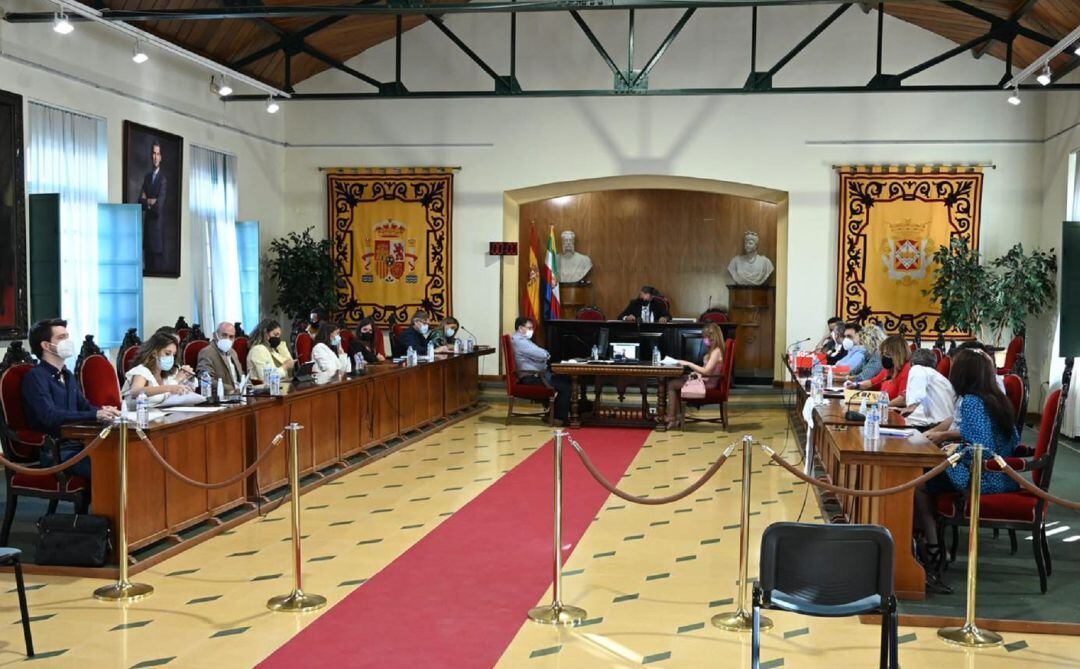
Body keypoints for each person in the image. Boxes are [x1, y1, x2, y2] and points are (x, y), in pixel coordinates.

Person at [914, 349, 1020, 591]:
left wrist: (953, 449)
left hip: (985, 477)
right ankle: (926, 543)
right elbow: (1010, 441)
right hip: (1004, 475)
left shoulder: (972, 402)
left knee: (919, 482)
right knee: (924, 475)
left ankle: (932, 548)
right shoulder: (997, 398)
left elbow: (981, 450)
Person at [22, 318, 120, 479]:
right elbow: (49, 416)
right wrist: (94, 415)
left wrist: (103, 410)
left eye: (67, 336)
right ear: (46, 346)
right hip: (56, 451)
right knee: (107, 469)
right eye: (61, 338)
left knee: (123, 459)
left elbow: (84, 406)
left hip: (80, 442)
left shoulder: (67, 375)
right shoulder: (35, 377)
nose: (68, 341)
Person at [664, 323, 726, 429]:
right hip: (705, 381)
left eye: (706, 337)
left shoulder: (716, 352)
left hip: (708, 384)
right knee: (675, 381)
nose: (704, 340)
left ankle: (672, 418)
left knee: (672, 384)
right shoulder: (715, 350)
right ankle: (677, 417)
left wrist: (688, 364)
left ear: (712, 337)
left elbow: (706, 371)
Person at [511, 317, 572, 422]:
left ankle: (553, 414)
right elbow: (542, 354)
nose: (532, 330)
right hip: (531, 378)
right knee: (565, 386)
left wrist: (544, 354)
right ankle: (557, 417)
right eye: (529, 328)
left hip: (537, 375)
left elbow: (539, 351)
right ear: (521, 328)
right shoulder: (519, 341)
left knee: (565, 380)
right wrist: (546, 355)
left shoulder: (523, 340)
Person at [123, 332, 196, 405]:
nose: (171, 358)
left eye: (173, 355)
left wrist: (189, 379)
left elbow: (181, 391)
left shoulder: (168, 373)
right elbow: (135, 392)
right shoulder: (142, 370)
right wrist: (170, 388)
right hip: (140, 414)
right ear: (154, 353)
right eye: (167, 353)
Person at [896, 349, 956, 428]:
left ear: (912, 363)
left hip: (932, 426)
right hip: (943, 424)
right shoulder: (938, 378)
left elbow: (914, 403)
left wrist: (911, 406)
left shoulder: (917, 369)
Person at [847, 334, 911, 405]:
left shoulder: (907, 369)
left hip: (893, 411)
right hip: (882, 409)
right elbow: (872, 382)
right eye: (883, 353)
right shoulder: (889, 370)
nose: (884, 357)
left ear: (897, 355)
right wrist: (856, 385)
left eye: (887, 354)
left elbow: (903, 399)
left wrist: (884, 405)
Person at [139, 142, 167, 272]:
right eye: (154, 154)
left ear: (161, 157)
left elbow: (158, 208)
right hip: (147, 236)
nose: (155, 157)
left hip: (157, 237)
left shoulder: (163, 180)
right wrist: (151, 201)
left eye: (158, 154)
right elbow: (140, 203)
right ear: (151, 156)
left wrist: (148, 202)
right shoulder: (146, 178)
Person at [196, 322, 244, 395]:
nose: (228, 339)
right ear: (216, 335)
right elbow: (205, 379)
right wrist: (231, 389)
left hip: (240, 394)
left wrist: (248, 385)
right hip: (222, 396)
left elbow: (240, 374)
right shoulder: (207, 352)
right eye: (224, 335)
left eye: (231, 337)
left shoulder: (233, 352)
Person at [246, 319, 296, 383]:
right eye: (275, 335)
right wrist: (285, 366)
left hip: (277, 386)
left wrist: (280, 345)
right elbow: (266, 377)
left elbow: (290, 364)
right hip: (262, 390)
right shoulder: (258, 350)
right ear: (265, 333)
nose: (277, 338)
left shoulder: (270, 349)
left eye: (279, 336)